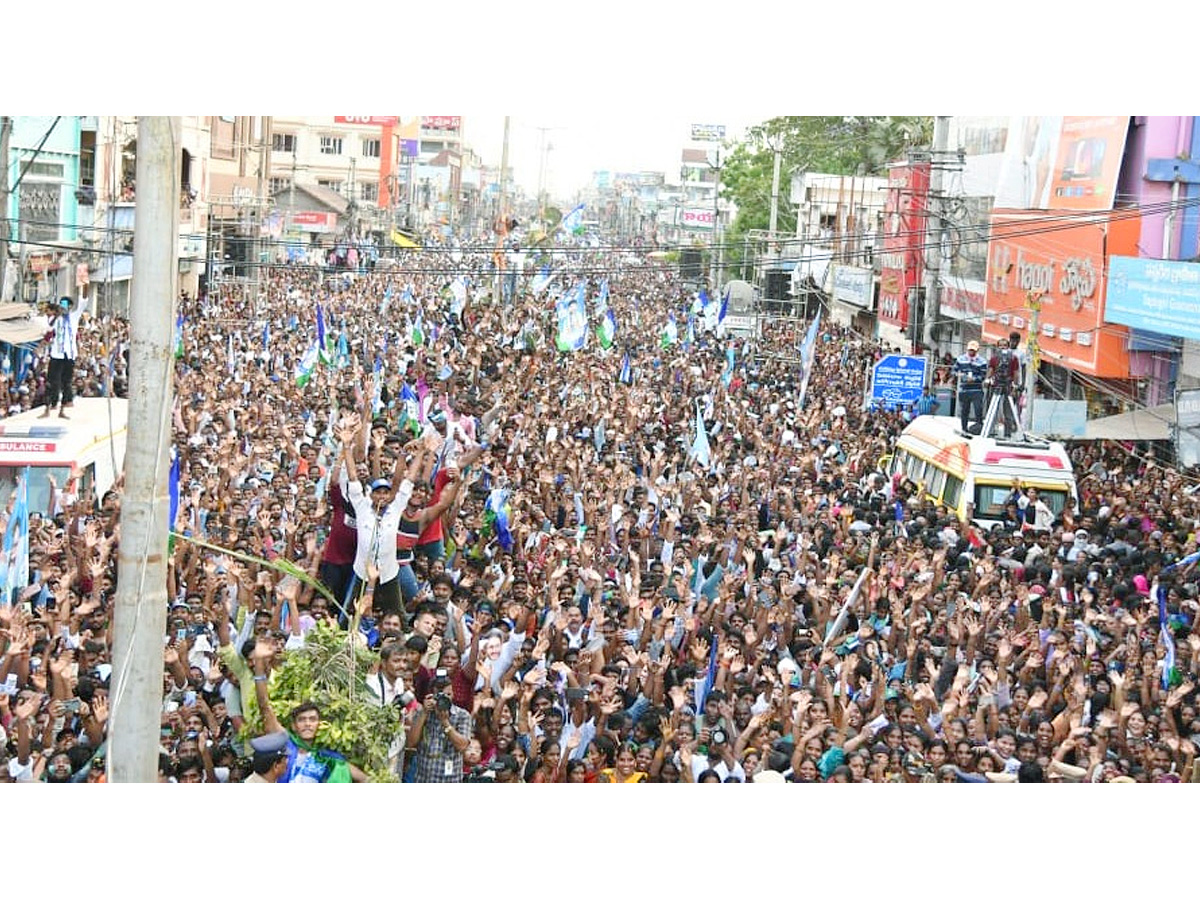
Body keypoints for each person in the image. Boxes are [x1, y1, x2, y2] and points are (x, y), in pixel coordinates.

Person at [41, 296, 85, 419]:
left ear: (70, 307)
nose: (62, 307)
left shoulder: (74, 317)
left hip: (69, 356)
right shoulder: (55, 320)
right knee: (51, 382)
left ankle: (62, 410)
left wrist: (84, 282)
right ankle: (49, 408)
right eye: (61, 305)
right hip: (56, 355)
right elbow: (49, 335)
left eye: (64, 305)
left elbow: (84, 301)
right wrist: (41, 347)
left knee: (66, 383)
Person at [952, 340, 987, 434]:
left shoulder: (982, 361)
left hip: (976, 389)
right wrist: (961, 375)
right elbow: (954, 371)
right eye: (970, 350)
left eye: (973, 351)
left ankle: (979, 428)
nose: (971, 352)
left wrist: (975, 379)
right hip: (964, 389)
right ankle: (964, 428)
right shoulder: (961, 359)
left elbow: (983, 375)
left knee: (978, 409)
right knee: (964, 410)